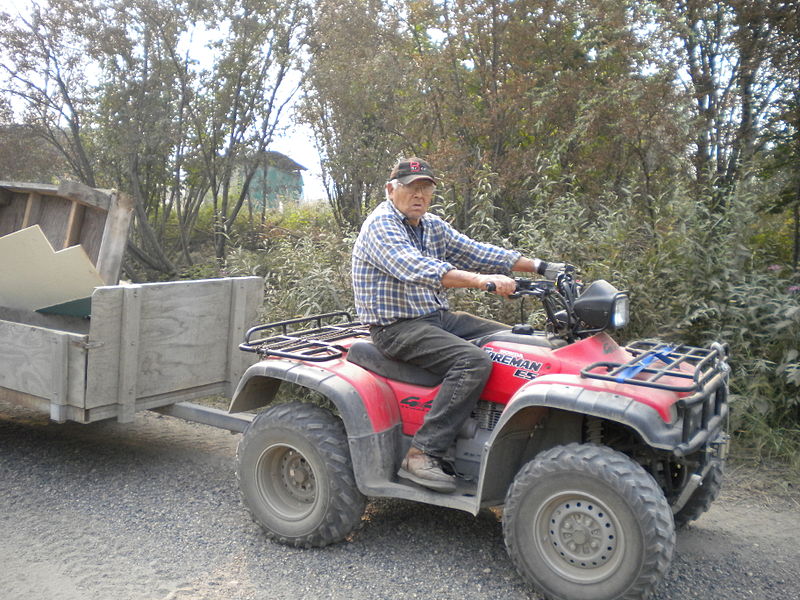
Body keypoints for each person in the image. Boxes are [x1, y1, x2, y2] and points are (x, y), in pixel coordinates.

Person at [351, 157, 564, 493]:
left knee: (513, 343)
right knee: (471, 361)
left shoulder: (431, 225)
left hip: (435, 318)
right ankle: (422, 453)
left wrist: (540, 266)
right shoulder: (381, 225)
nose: (419, 195)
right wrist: (481, 281)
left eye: (425, 188)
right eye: (411, 187)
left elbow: (476, 251)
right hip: (395, 328)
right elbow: (415, 267)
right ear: (392, 189)